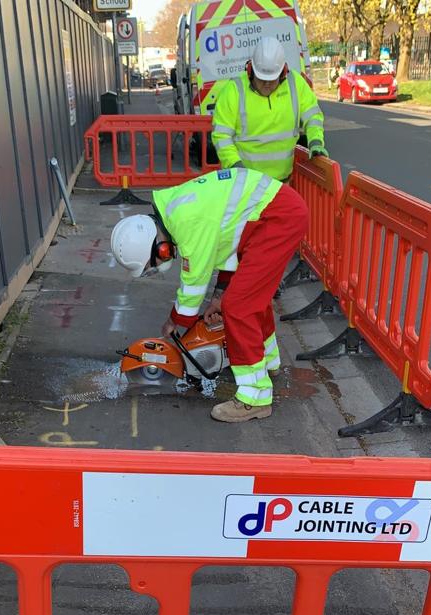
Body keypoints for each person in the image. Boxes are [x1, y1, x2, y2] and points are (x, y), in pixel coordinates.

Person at [110, 168, 308, 423]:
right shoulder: (175, 211)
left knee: (239, 307)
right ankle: (268, 362)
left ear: (158, 247)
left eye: (152, 263)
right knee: (250, 298)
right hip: (271, 217)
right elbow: (229, 242)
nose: (159, 266)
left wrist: (175, 321)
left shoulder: (186, 222)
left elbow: (194, 282)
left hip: (277, 218)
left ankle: (255, 397)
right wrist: (219, 296)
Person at [211, 38, 328, 183]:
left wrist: (315, 141)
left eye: (272, 79)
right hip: (244, 184)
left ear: (283, 72)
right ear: (250, 71)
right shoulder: (234, 90)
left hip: (283, 182)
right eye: (261, 78)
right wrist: (236, 166)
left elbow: (313, 116)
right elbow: (221, 135)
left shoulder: (296, 84)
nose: (266, 84)